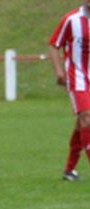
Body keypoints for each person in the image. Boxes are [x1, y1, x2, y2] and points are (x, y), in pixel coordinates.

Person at [49, 1, 90, 181]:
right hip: (77, 78)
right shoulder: (71, 19)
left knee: (82, 125)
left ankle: (69, 169)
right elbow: (53, 45)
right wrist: (59, 71)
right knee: (87, 118)